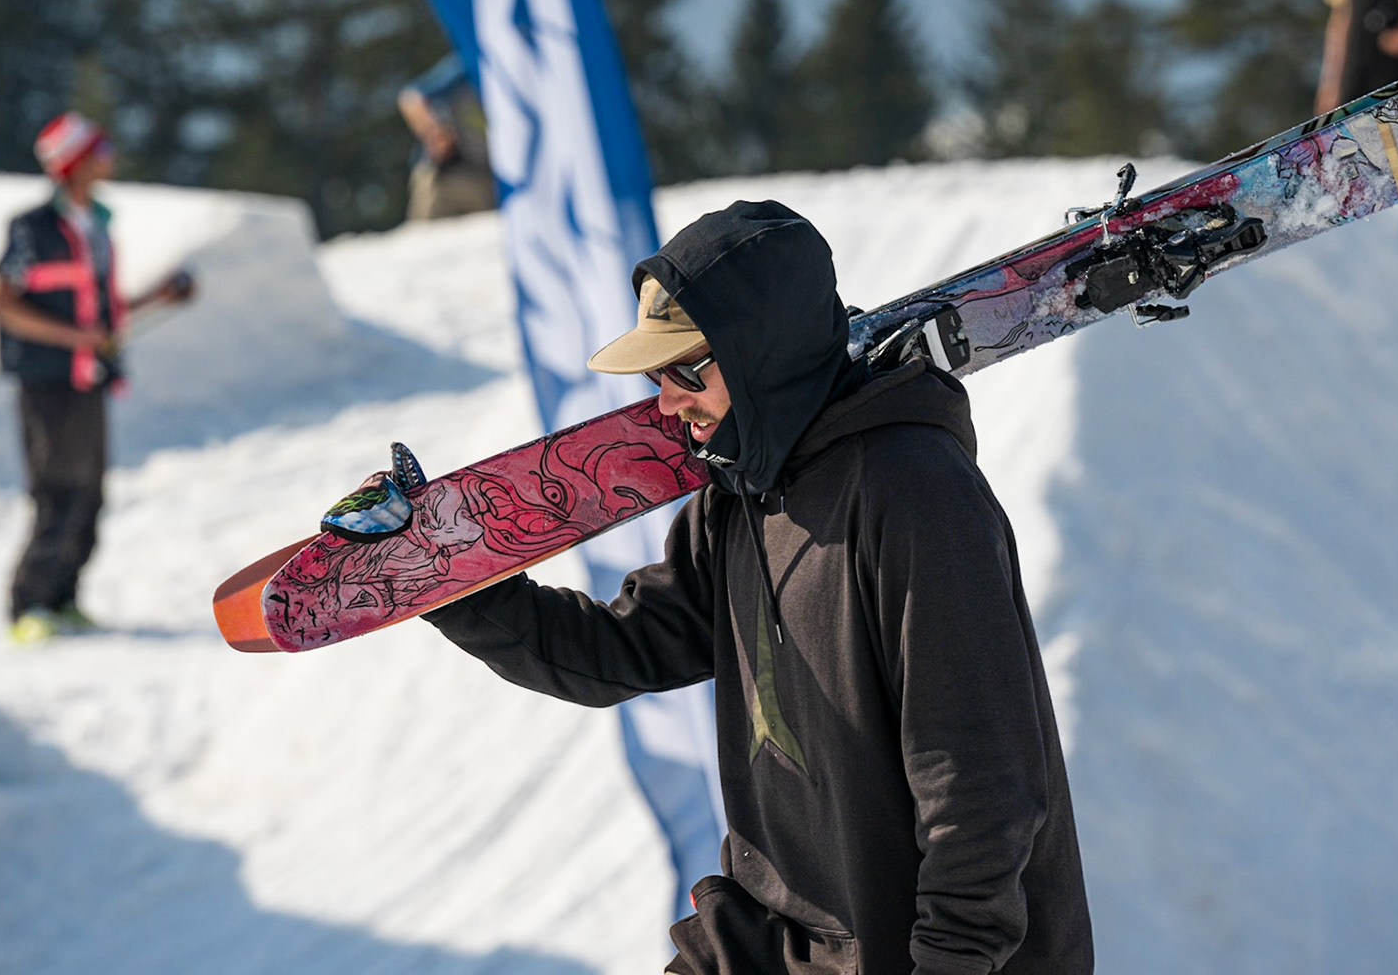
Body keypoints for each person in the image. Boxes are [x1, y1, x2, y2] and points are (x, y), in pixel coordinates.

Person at [426, 201, 1092, 975]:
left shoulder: (914, 493)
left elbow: (981, 784)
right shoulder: (739, 499)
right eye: (656, 373)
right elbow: (617, 653)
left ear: (762, 354)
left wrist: (948, 963)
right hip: (777, 942)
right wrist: (443, 578)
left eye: (688, 369)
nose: (667, 400)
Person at [0, 113, 194, 644]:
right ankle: (28, 606)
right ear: (74, 163)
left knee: (89, 492)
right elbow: (4, 304)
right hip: (48, 381)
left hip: (89, 379)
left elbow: (100, 313)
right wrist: (73, 338)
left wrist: (158, 298)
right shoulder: (32, 227)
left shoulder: (97, 225)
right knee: (57, 490)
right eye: (99, 149)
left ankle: (63, 597)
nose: (110, 157)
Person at [398, 56, 498, 221]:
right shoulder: (472, 66)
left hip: (486, 178)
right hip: (444, 176)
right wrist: (435, 132)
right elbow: (411, 98)